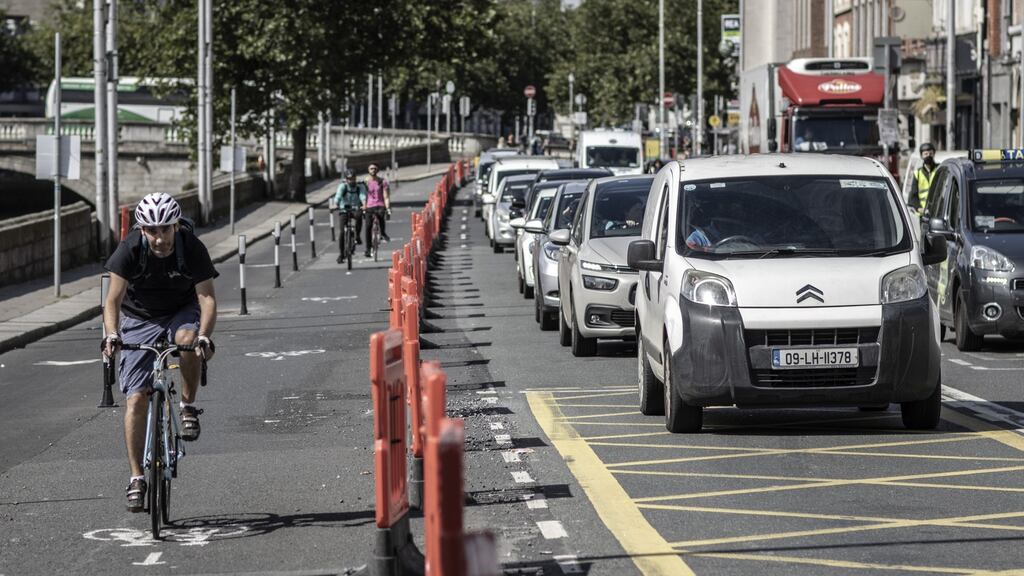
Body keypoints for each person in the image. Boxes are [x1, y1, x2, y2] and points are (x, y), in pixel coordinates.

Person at [102, 192, 218, 512]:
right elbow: (112, 300)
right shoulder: (129, 250)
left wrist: (205, 337)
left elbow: (207, 299)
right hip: (139, 317)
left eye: (165, 229)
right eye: (152, 230)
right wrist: (112, 334)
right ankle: (137, 477)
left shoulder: (191, 248)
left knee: (187, 340)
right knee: (136, 399)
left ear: (176, 225)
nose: (159, 237)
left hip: (181, 309)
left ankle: (187, 406)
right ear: (142, 230)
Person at [334, 169, 366, 263]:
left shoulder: (360, 187)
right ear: (346, 179)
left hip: (356, 208)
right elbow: (338, 196)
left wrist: (364, 205)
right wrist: (335, 204)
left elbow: (362, 196)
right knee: (342, 233)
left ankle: (357, 236)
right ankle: (341, 254)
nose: (351, 181)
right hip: (344, 209)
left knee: (359, 216)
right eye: (349, 179)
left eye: (353, 179)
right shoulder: (342, 186)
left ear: (355, 178)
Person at [363, 164, 391, 256]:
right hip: (369, 206)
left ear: (377, 170)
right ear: (368, 170)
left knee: (381, 218)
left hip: (380, 205)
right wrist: (363, 206)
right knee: (368, 227)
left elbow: (386, 196)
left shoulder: (382, 182)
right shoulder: (365, 182)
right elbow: (363, 196)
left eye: (375, 168)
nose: (373, 170)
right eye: (371, 168)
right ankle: (368, 248)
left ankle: (383, 233)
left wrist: (388, 208)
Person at [908, 143, 937, 211]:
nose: (928, 156)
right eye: (926, 154)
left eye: (931, 153)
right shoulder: (917, 173)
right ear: (921, 156)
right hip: (923, 212)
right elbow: (913, 195)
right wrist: (918, 207)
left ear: (934, 154)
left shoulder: (939, 170)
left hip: (937, 211)